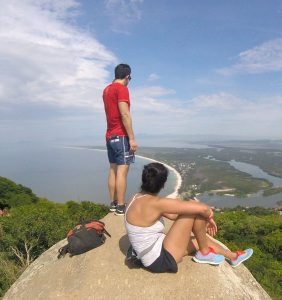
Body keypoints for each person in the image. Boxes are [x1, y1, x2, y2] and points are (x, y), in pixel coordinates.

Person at [124, 162, 253, 273]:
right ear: (163, 185)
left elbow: (174, 216)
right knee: (194, 210)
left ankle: (233, 256)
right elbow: (203, 209)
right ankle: (204, 253)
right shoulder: (157, 203)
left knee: (197, 238)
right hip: (158, 259)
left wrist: (199, 217)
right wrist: (208, 217)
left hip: (151, 249)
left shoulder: (136, 197)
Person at [103, 63, 137, 216]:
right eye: (130, 78)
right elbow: (125, 114)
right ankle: (121, 206)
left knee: (113, 170)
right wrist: (132, 139)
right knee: (122, 172)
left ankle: (113, 203)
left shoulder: (107, 89)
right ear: (128, 76)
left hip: (110, 136)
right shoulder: (122, 89)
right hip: (121, 136)